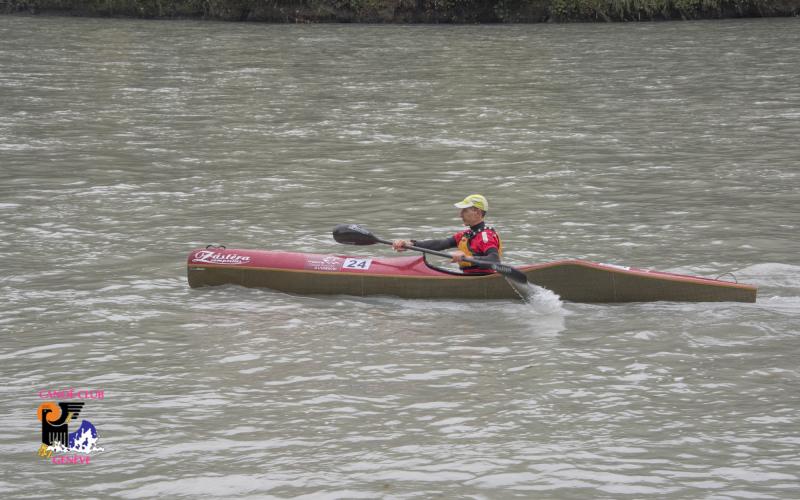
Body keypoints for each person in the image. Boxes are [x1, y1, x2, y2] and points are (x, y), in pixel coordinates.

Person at [392, 194, 502, 274]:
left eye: (464, 210)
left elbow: (494, 260)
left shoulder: (485, 236)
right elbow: (439, 244)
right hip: (469, 276)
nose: (460, 215)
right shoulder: (465, 235)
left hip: (483, 277)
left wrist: (467, 257)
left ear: (477, 212)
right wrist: (410, 244)